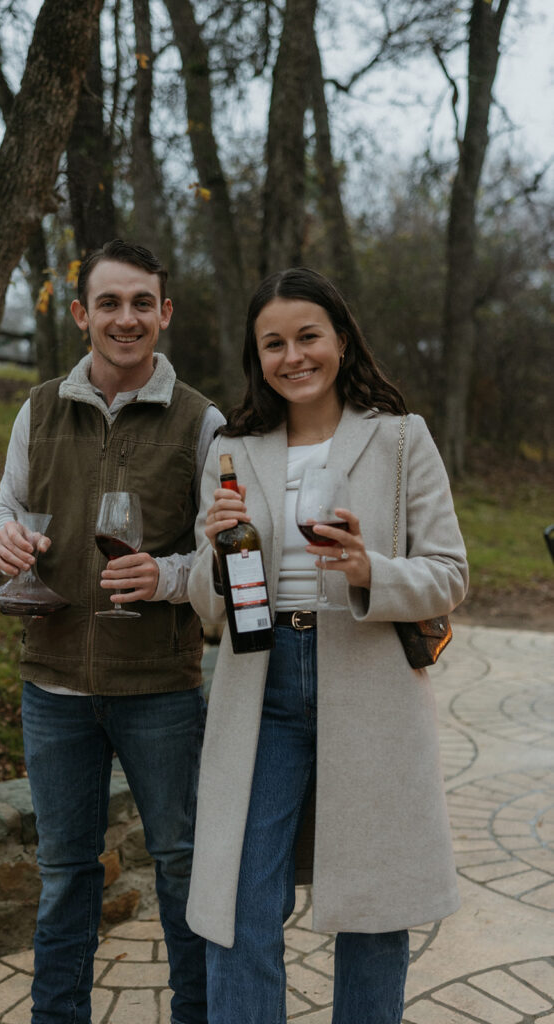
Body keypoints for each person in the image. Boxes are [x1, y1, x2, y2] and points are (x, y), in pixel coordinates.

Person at [185, 267, 469, 1024]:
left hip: (369, 682)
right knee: (239, 899)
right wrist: (211, 555)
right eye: (272, 343)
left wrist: (367, 568)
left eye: (307, 336)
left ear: (340, 340)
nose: (292, 355)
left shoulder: (401, 438)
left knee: (373, 905)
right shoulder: (233, 446)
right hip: (260, 686)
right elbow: (206, 604)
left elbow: (448, 575)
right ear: (256, 356)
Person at [0, 239, 224, 1024]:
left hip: (158, 689)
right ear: (83, 313)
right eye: (110, 303)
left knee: (182, 870)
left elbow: (222, 558)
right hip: (51, 686)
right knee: (63, 875)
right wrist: (5, 537)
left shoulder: (201, 422)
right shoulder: (39, 407)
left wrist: (166, 577)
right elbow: (7, 508)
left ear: (164, 313)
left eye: (141, 303)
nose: (126, 319)